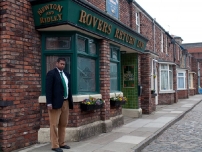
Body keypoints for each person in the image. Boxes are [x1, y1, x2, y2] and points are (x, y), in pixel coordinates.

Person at [46, 57, 73, 152]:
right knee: (54, 124)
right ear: (56, 63)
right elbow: (48, 89)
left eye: (64, 64)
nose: (62, 65)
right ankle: (54, 145)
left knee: (63, 124)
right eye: (61, 63)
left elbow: (68, 88)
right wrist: (49, 102)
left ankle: (62, 143)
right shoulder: (51, 73)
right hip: (55, 103)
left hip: (65, 102)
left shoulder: (66, 74)